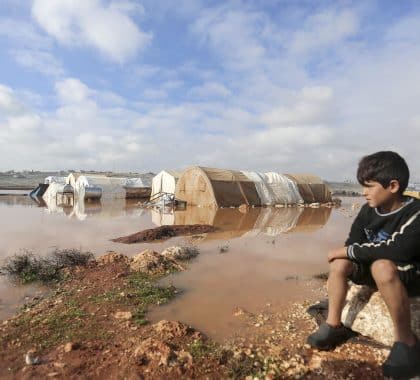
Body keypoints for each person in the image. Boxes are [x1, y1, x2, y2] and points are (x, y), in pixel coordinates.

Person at [307, 151, 420, 378]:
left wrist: (350, 250)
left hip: (409, 272)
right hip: (379, 268)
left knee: (380, 265)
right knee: (340, 263)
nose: (363, 193)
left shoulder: (415, 212)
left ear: (393, 186)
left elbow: (399, 250)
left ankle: (406, 342)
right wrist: (347, 252)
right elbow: (353, 243)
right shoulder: (368, 210)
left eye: (369, 186)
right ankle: (333, 326)